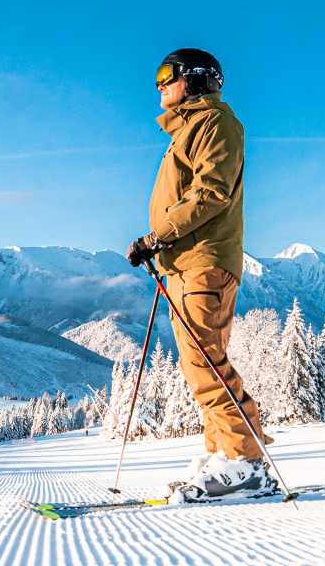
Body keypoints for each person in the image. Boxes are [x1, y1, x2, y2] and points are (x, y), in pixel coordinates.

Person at [125, 48, 277, 500]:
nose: (159, 85)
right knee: (202, 364)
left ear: (195, 80)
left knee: (205, 363)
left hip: (203, 261)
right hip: (185, 262)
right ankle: (224, 457)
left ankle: (245, 461)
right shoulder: (186, 131)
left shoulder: (216, 124)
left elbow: (210, 192)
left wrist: (158, 235)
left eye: (166, 75)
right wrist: (160, 240)